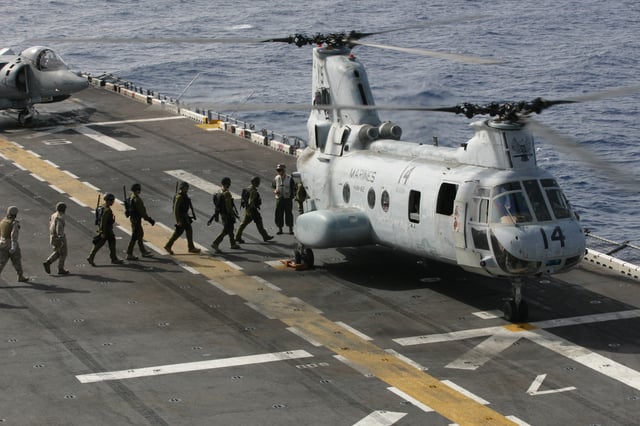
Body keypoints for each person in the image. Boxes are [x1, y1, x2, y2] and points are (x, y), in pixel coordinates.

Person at [164, 181, 201, 255]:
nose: (187, 189)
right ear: (182, 188)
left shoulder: (184, 195)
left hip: (185, 216)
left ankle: (190, 247)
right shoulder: (179, 197)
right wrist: (178, 221)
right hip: (182, 218)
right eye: (186, 188)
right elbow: (175, 210)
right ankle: (168, 245)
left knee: (187, 230)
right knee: (179, 232)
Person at [87, 193, 123, 266]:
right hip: (106, 229)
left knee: (106, 242)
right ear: (109, 201)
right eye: (112, 200)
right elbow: (104, 221)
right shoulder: (107, 210)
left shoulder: (101, 207)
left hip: (104, 228)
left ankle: (113, 258)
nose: (113, 202)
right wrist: (103, 232)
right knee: (102, 243)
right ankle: (113, 258)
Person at [235, 177, 274, 243]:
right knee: (259, 222)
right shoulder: (253, 191)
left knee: (244, 224)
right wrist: (251, 210)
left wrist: (247, 210)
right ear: (253, 182)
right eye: (257, 182)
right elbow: (251, 202)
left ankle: (237, 237)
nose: (258, 183)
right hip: (252, 209)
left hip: (248, 209)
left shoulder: (248, 188)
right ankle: (265, 236)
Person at [208, 177, 241, 252]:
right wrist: (233, 214)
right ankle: (215, 243)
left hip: (222, 214)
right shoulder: (227, 193)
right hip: (227, 215)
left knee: (230, 229)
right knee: (226, 230)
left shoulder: (218, 192)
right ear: (227, 184)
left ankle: (233, 244)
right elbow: (229, 206)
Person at [126, 183, 155, 260]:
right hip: (136, 220)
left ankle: (143, 251)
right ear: (138, 190)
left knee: (139, 235)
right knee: (135, 236)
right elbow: (142, 212)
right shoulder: (137, 200)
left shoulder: (131, 197)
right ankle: (129, 253)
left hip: (133, 219)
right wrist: (149, 219)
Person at [0, 206, 28, 282]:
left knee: (1, 262)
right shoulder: (14, 223)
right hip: (10, 243)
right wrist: (13, 247)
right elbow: (14, 236)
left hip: (2, 242)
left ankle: (21, 276)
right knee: (16, 260)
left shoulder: (3, 221)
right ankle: (20, 276)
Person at [43, 202, 69, 275]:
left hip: (52, 236)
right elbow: (59, 228)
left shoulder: (53, 215)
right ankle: (60, 269)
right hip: (58, 237)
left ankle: (48, 262)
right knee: (63, 253)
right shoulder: (60, 217)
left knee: (58, 252)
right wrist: (60, 237)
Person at [272, 164, 295, 235]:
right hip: (279, 199)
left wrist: (291, 197)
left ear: (284, 170)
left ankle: (290, 229)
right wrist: (275, 191)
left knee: (289, 214)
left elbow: (293, 188)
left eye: (280, 170)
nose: (279, 172)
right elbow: (273, 186)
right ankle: (280, 229)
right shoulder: (276, 178)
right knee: (279, 214)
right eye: (278, 170)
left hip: (287, 199)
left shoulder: (289, 178)